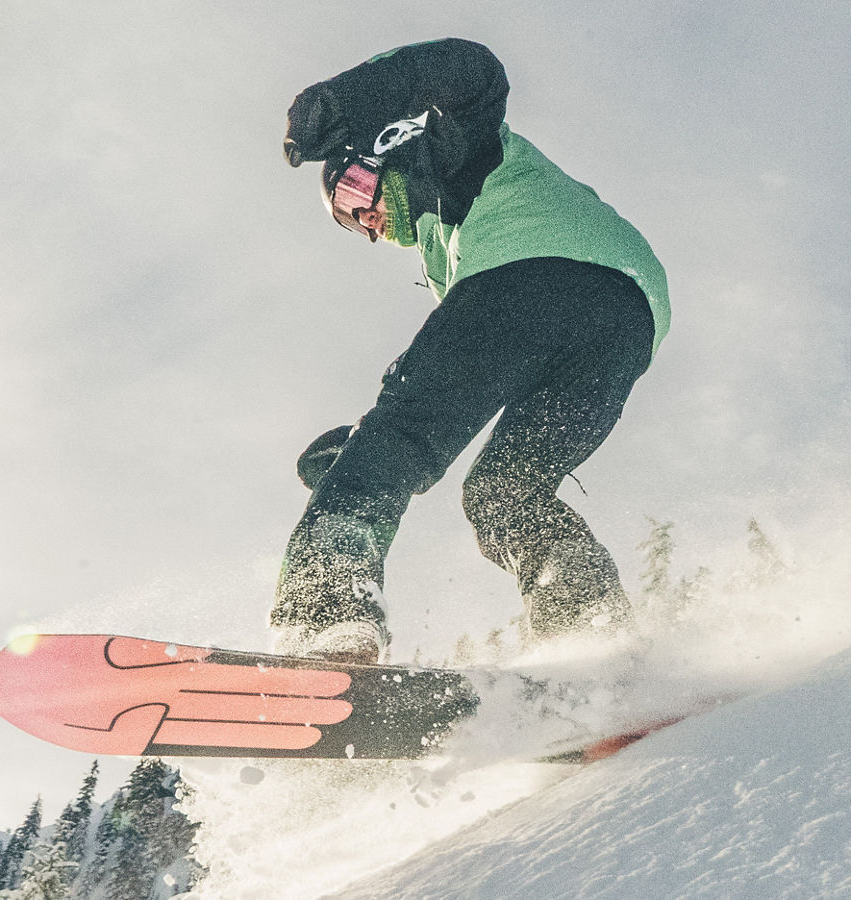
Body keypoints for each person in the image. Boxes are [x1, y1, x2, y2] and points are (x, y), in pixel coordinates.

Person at [273, 38, 671, 664]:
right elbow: (464, 375)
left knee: (401, 435)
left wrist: (346, 101)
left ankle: (327, 615)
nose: (364, 220)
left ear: (384, 152)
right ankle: (591, 636)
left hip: (532, 277)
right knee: (505, 492)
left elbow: (472, 71)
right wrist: (363, 440)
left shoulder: (446, 158)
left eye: (354, 192)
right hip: (624, 324)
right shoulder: (451, 252)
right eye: (347, 220)